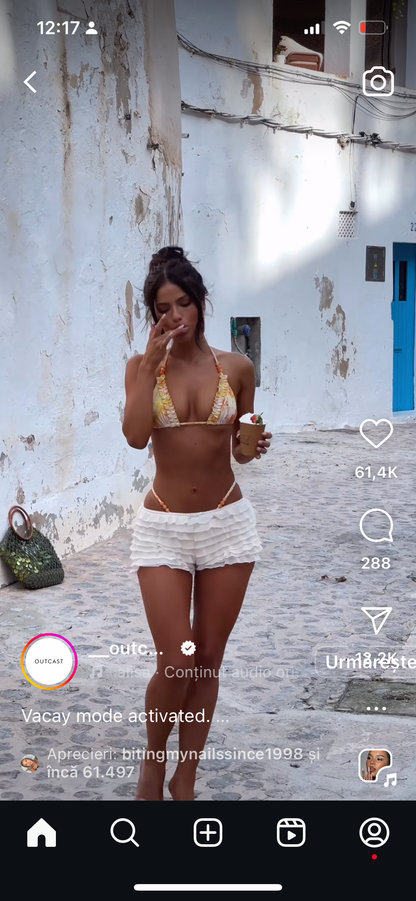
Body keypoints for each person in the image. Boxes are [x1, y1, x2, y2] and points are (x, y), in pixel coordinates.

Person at [123, 246, 272, 800]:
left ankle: (185, 774)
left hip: (227, 525)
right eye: (163, 308)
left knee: (207, 659)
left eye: (183, 303)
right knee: (177, 660)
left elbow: (241, 450)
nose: (175, 316)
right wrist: (148, 364)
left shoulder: (237, 368)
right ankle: (153, 760)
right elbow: (136, 436)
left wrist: (253, 444)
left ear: (200, 302)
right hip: (163, 528)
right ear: (153, 314)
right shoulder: (142, 368)